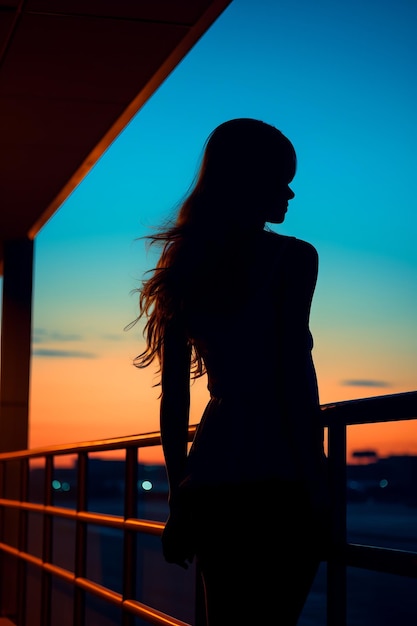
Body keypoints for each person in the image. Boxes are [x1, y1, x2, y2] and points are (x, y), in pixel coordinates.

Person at [129, 118, 329, 625]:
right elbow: (293, 379)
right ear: (248, 182)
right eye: (280, 177)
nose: (290, 191)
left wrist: (180, 497)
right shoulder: (293, 258)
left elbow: (175, 404)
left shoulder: (186, 267)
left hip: (212, 476)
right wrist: (317, 484)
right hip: (279, 475)